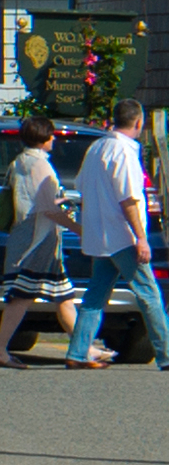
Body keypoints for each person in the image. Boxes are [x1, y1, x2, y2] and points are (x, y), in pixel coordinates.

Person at [68, 109, 165, 373]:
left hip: (99, 234)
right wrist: (141, 238)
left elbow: (81, 186)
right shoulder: (125, 152)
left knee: (95, 295)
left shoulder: (97, 147)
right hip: (122, 235)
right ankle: (166, 353)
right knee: (149, 294)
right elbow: (129, 199)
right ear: (138, 121)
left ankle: (78, 351)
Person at [0, 126, 79, 367]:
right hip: (36, 239)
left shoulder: (19, 162)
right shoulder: (40, 165)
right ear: (42, 138)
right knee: (22, 294)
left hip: (30, 235)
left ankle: (83, 348)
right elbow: (49, 209)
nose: (54, 139)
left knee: (64, 296)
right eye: (51, 135)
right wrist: (79, 229)